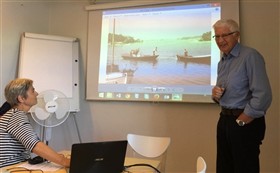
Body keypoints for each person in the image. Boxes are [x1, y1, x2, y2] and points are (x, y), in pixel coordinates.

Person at [212, 19, 272, 173]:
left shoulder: (250, 56)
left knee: (245, 168)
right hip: (224, 120)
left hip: (244, 121)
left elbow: (263, 94)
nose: (220, 40)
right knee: (224, 168)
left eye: (224, 35)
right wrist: (215, 95)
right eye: (217, 36)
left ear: (236, 35)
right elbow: (228, 91)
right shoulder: (222, 61)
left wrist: (242, 121)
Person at [0, 78, 70, 168]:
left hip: (17, 166)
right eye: (33, 91)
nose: (36, 93)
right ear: (21, 98)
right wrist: (64, 161)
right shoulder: (16, 116)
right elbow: (35, 145)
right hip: (9, 168)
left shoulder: (14, 114)